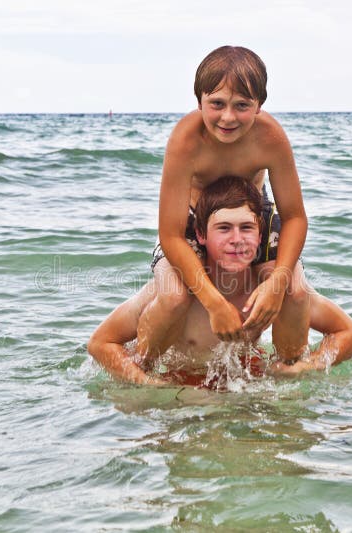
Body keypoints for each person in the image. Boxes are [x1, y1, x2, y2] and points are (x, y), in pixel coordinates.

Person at [87, 177, 352, 388]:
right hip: (183, 389)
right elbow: (101, 343)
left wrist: (305, 368)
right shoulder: (179, 288)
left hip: (241, 386)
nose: (236, 239)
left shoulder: (266, 290)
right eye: (223, 228)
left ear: (260, 236)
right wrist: (145, 384)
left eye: (246, 228)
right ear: (201, 235)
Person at [140, 45, 317, 366]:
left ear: (259, 105)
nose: (228, 116)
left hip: (252, 216)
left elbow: (294, 218)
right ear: (199, 103)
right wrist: (214, 303)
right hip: (193, 222)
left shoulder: (271, 138)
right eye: (217, 104)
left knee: (296, 293)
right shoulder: (186, 140)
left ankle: (287, 375)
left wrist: (277, 282)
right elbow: (170, 234)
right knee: (173, 297)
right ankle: (142, 368)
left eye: (242, 105)